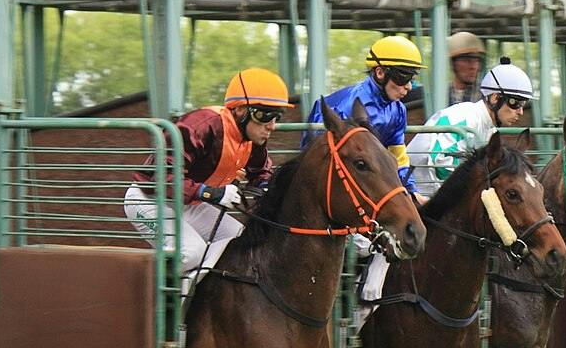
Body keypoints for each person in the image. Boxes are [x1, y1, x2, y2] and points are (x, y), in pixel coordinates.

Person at [125, 66, 288, 283]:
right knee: (191, 252)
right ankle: (151, 306)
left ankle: (192, 302)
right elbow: (162, 176)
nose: (271, 126)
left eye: (276, 116)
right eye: (264, 115)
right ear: (240, 110)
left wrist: (267, 188)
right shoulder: (201, 125)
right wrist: (213, 193)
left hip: (191, 204)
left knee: (240, 241)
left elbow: (261, 173)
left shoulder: (253, 138)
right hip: (150, 200)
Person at [307, 34, 423, 202]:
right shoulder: (346, 106)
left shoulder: (398, 110)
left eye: (411, 78)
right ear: (380, 72)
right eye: (403, 77)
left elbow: (398, 157)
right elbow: (322, 164)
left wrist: (411, 191)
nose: (408, 86)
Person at [408, 58, 534, 196]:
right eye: (515, 103)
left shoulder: (489, 129)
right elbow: (442, 164)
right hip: (415, 195)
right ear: (495, 98)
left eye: (523, 104)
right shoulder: (466, 118)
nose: (520, 111)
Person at [447, 30, 486, 104]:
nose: (474, 66)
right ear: (452, 63)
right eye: (467, 60)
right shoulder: (441, 95)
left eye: (477, 60)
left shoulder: (486, 98)